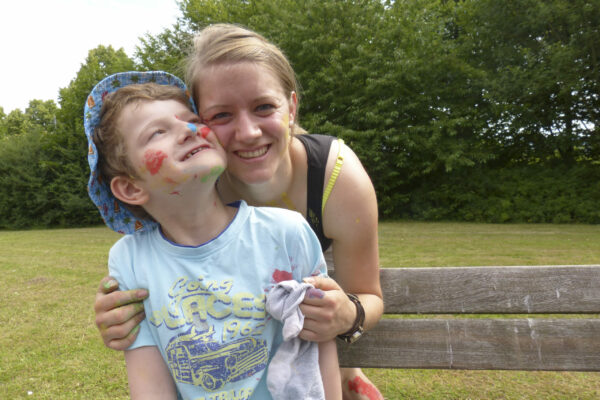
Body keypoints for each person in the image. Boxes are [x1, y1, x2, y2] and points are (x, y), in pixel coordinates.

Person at [93, 24, 384, 400]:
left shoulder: (334, 181)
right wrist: (122, 316)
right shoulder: (199, 173)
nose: (247, 133)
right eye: (220, 116)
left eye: (264, 107)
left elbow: (360, 298)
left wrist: (346, 316)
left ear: (291, 107)